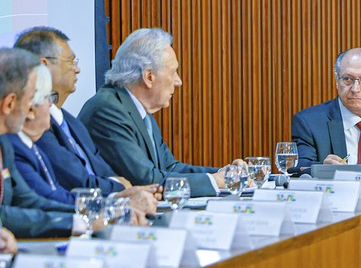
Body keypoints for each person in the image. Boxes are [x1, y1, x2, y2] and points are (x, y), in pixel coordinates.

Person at [14, 27, 159, 212]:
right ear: (44, 65)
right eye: (70, 61)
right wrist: (120, 193)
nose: (77, 69)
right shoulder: (34, 126)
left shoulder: (72, 123)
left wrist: (124, 191)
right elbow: (78, 181)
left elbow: (105, 172)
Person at [78, 28, 235, 197]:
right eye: (173, 72)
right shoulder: (108, 110)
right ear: (149, 77)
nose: (178, 81)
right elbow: (145, 179)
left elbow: (169, 168)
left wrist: (221, 174)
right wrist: (213, 181)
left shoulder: (137, 109)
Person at [0, 48, 76, 240]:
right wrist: (75, 222)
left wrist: (86, 216)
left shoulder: (4, 145)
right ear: (9, 104)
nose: (31, 108)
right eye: (30, 98)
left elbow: (25, 199)